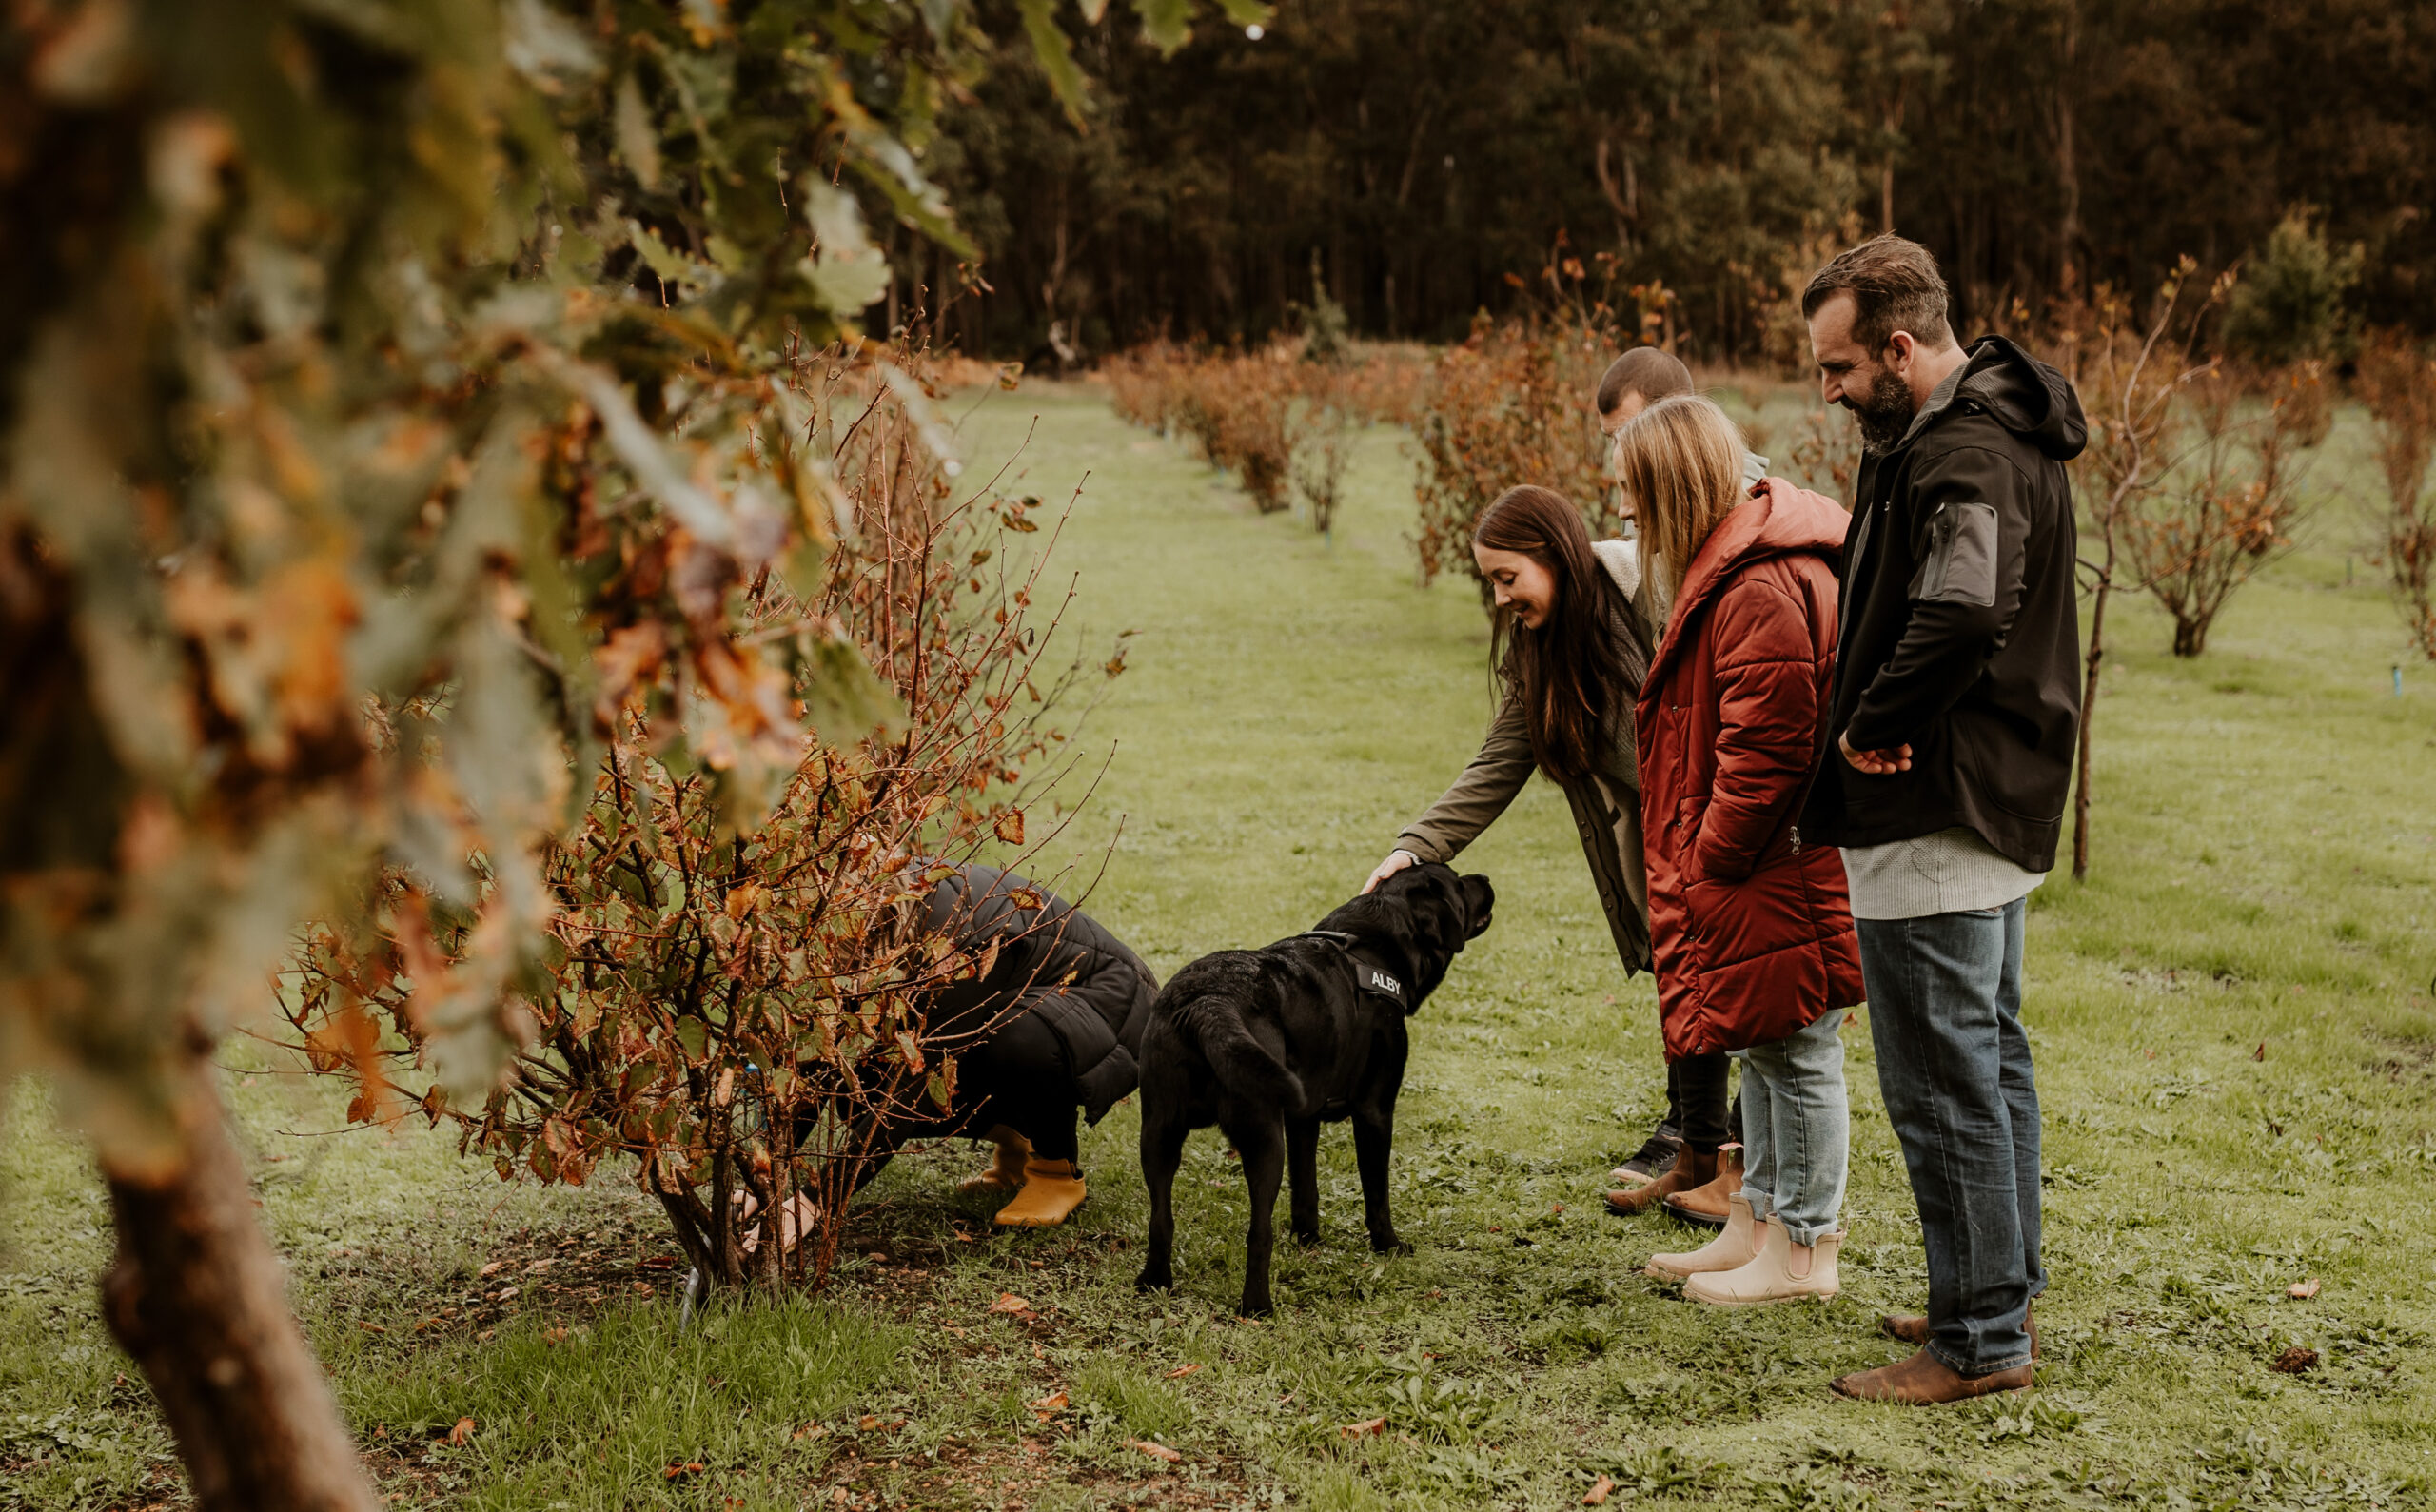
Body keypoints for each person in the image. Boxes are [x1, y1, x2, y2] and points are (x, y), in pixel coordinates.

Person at [1797, 234, 2085, 1403]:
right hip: (1992, 784)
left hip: (1938, 794)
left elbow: (1962, 609)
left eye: (1838, 366)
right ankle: (1995, 1286)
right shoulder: (1985, 426)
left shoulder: (1962, 446)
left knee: (1941, 1075)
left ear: (1900, 349)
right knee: (1992, 1054)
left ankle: (1976, 1339)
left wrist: (1872, 717)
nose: (1828, 389)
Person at [1605, 395, 1866, 1304]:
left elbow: (1768, 751)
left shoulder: (1756, 584)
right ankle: (1757, 1220)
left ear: (1674, 486)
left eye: (1635, 495)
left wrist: (1711, 854)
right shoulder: (1735, 569)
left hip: (1772, 865)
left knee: (1797, 1051)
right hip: (1763, 867)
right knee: (1764, 1043)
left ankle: (1803, 1249)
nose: (1627, 517)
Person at [1591, 347, 1763, 1226]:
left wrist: (1711, 842)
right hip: (1678, 805)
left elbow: (1758, 717)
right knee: (1690, 974)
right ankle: (1700, 1145)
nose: (1619, 498)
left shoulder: (1748, 545)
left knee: (1770, 1025)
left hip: (1720, 819)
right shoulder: (1681, 541)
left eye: (1627, 454)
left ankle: (1760, 1189)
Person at [829, 862, 1159, 1227]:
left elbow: (909, 1087)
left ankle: (1055, 1171)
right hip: (1027, 997)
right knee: (862, 1088)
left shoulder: (954, 944)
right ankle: (1016, 1141)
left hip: (1111, 1005)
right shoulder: (897, 905)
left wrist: (815, 1204)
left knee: (1015, 1036)